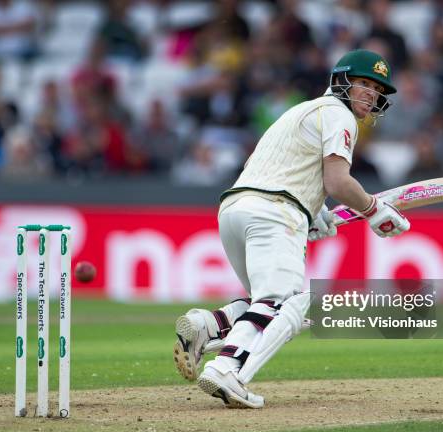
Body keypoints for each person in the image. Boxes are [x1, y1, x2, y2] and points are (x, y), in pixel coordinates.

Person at [172, 49, 410, 408]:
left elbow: (272, 166)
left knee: (262, 303)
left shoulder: (300, 111)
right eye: (364, 84)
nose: (371, 95)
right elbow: (338, 182)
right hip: (275, 211)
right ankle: (227, 369)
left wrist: (314, 214)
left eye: (377, 90)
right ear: (342, 81)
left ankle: (209, 324)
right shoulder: (339, 116)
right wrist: (375, 211)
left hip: (235, 208)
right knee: (285, 305)